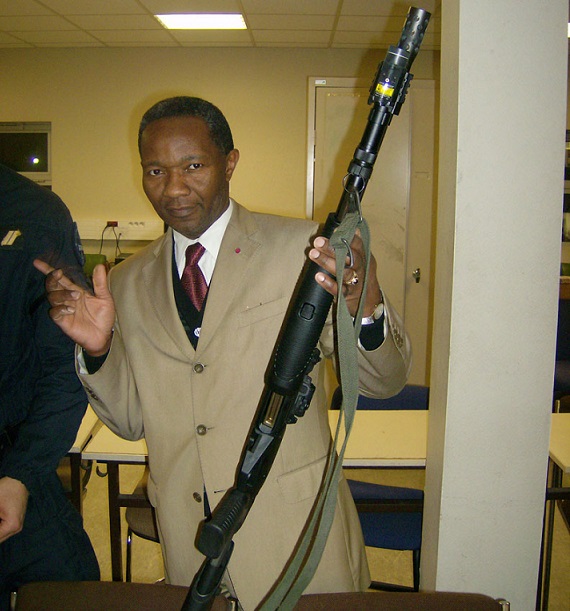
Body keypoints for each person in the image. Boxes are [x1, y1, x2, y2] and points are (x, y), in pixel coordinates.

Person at [35, 97, 411, 609]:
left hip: (293, 538)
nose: (173, 188)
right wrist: (99, 350)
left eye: (194, 166)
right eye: (156, 170)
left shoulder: (304, 250)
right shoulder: (126, 282)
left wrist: (364, 307)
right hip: (191, 541)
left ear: (229, 163)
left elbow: (383, 382)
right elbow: (129, 421)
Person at [0, 163, 100, 609]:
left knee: (71, 593)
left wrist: (21, 474)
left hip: (12, 467)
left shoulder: (32, 214)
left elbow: (63, 367)